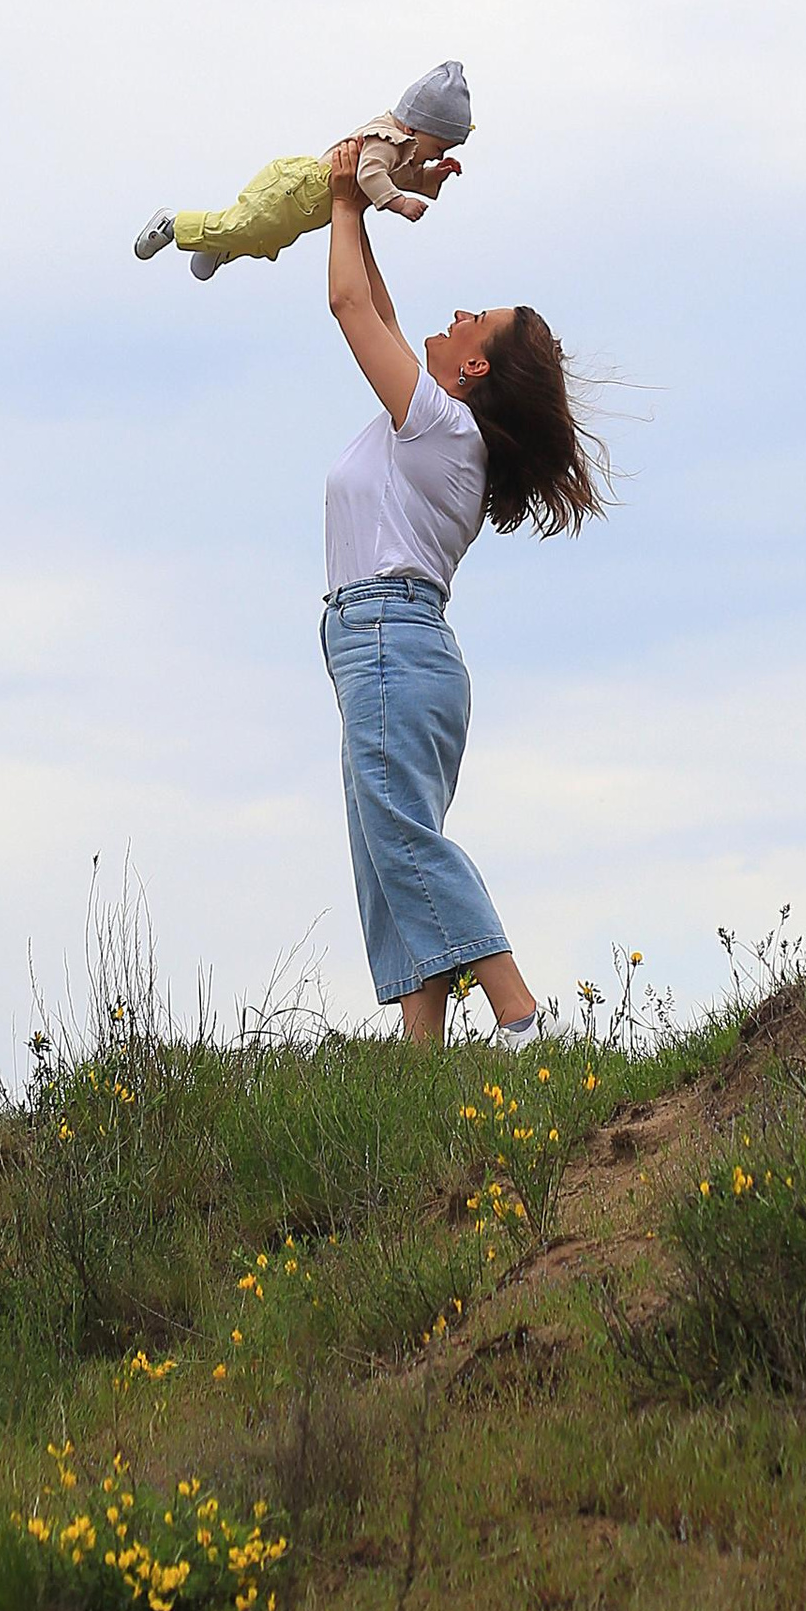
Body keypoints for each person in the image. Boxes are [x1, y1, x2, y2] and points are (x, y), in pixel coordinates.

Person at [315, 133, 608, 1045]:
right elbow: (382, 306)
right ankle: (421, 1069)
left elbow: (348, 304)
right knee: (390, 855)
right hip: (397, 647)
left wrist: (337, 199)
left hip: (388, 640)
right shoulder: (438, 429)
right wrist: (362, 205)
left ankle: (518, 1014)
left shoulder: (440, 426)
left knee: (404, 840)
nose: (454, 314)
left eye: (472, 318)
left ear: (473, 368)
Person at [133, 60, 474, 281]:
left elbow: (401, 175)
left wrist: (432, 178)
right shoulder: (385, 140)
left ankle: (218, 245)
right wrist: (399, 203)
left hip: (308, 206)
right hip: (296, 189)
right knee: (252, 225)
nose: (434, 156)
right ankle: (174, 225)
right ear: (416, 129)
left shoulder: (402, 153)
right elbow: (371, 175)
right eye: (439, 149)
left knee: (271, 238)